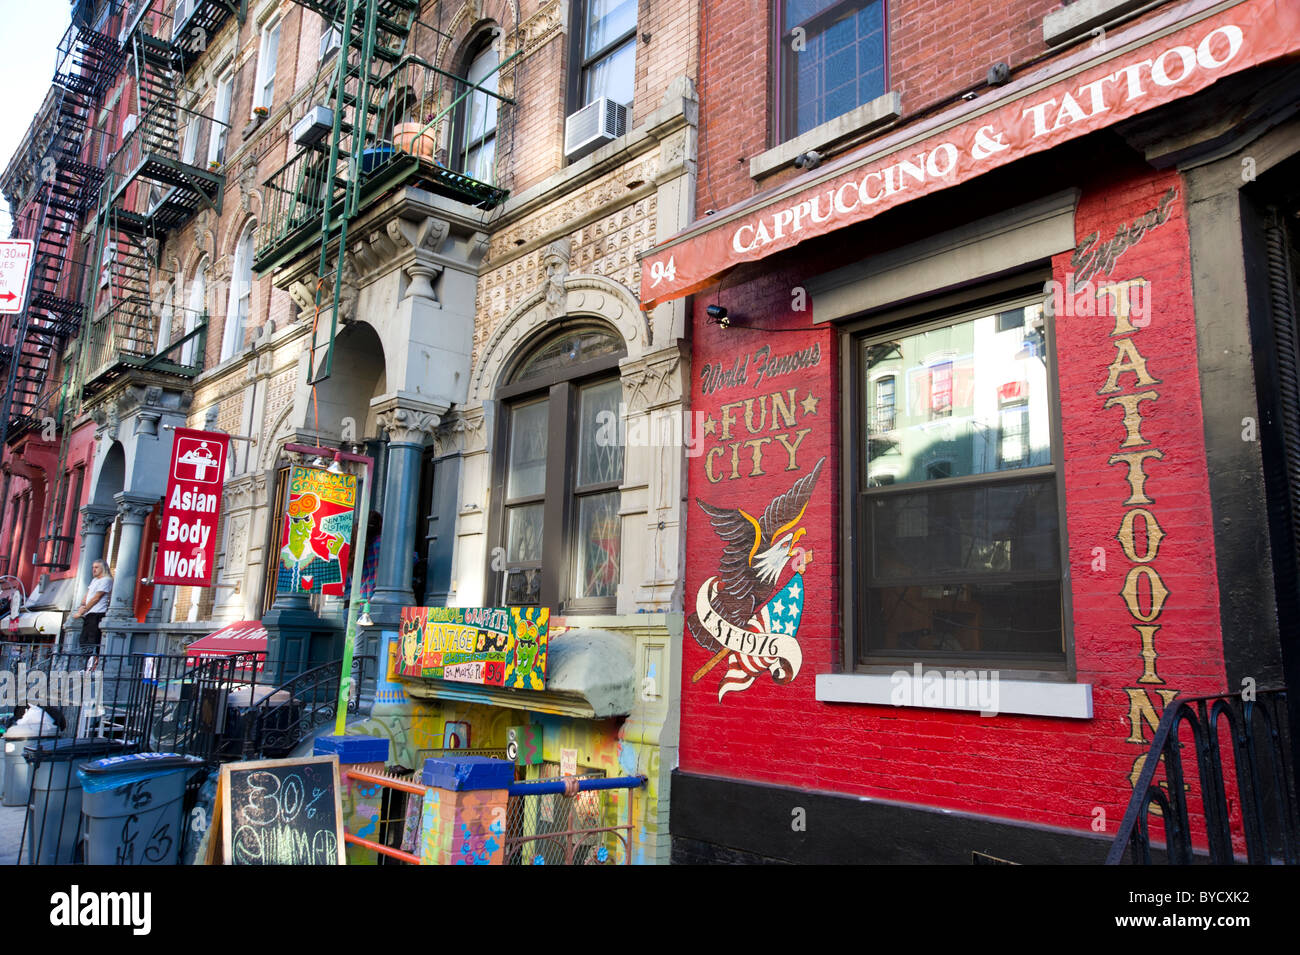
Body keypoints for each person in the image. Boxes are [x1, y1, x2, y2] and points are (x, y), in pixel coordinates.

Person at [71, 559, 113, 647]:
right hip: (89, 614)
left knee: (92, 641)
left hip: (97, 613)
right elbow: (87, 594)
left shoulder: (106, 580)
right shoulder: (94, 580)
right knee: (84, 641)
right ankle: (88, 660)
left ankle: (94, 660)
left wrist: (83, 611)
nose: (94, 569)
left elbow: (96, 597)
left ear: (103, 568)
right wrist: (82, 606)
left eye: (96, 567)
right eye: (93, 567)